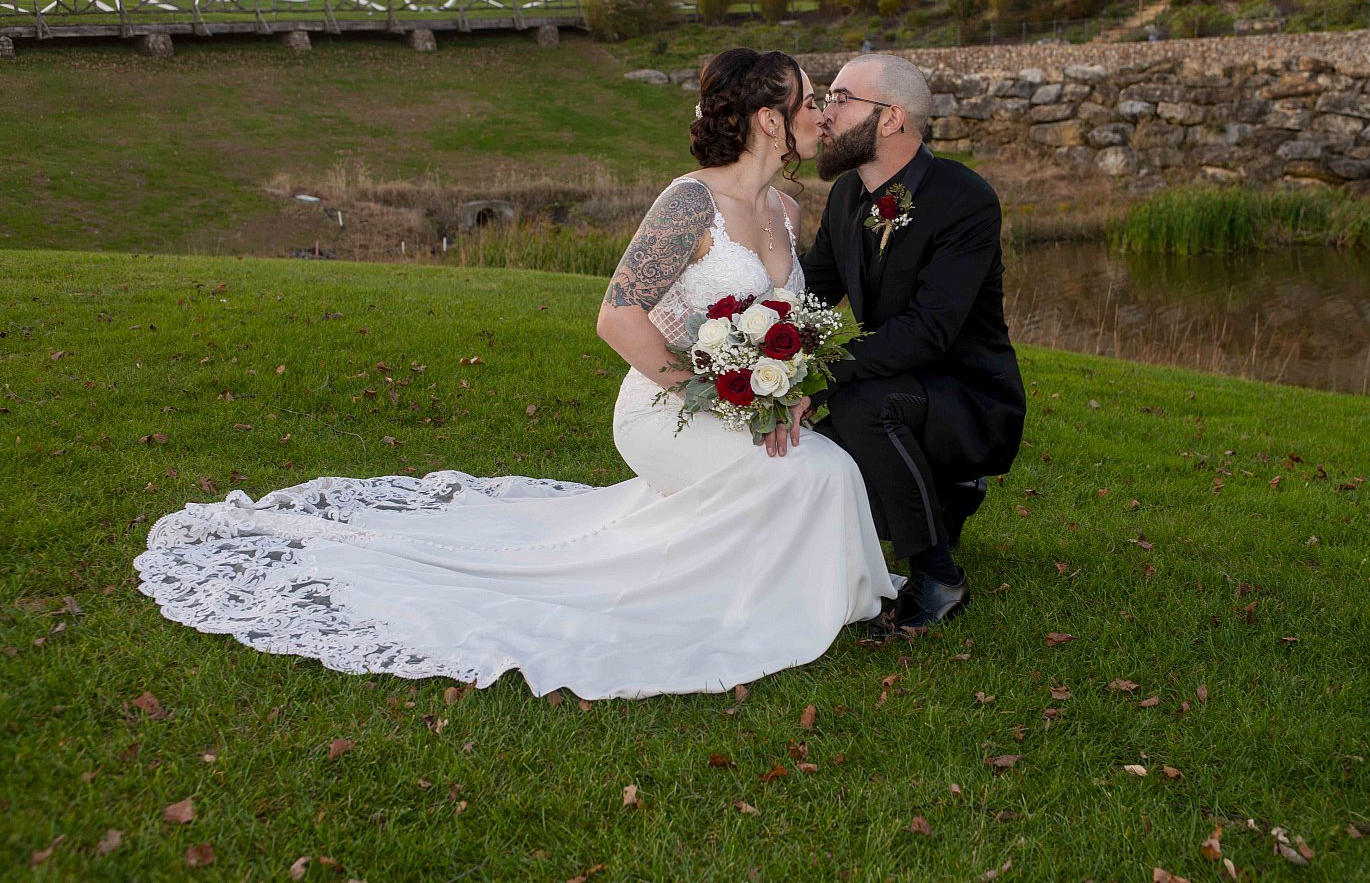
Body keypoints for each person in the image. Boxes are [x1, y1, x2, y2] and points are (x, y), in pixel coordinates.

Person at [135, 48, 895, 701]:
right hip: (666, 409)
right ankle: (764, 603)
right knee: (812, 476)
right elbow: (618, 315)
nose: (821, 113)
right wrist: (712, 395)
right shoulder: (690, 203)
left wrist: (780, 394)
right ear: (770, 118)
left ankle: (808, 597)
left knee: (821, 466)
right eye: (808, 97)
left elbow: (783, 330)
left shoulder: (789, 212)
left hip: (737, 405)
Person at [800, 54, 1026, 635]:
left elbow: (929, 330)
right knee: (815, 451)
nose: (825, 113)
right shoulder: (847, 196)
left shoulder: (964, 199)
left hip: (969, 397)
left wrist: (822, 379)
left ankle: (937, 576)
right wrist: (765, 361)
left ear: (891, 118)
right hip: (895, 378)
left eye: (841, 98)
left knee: (859, 407)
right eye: (826, 99)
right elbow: (815, 295)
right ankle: (945, 495)